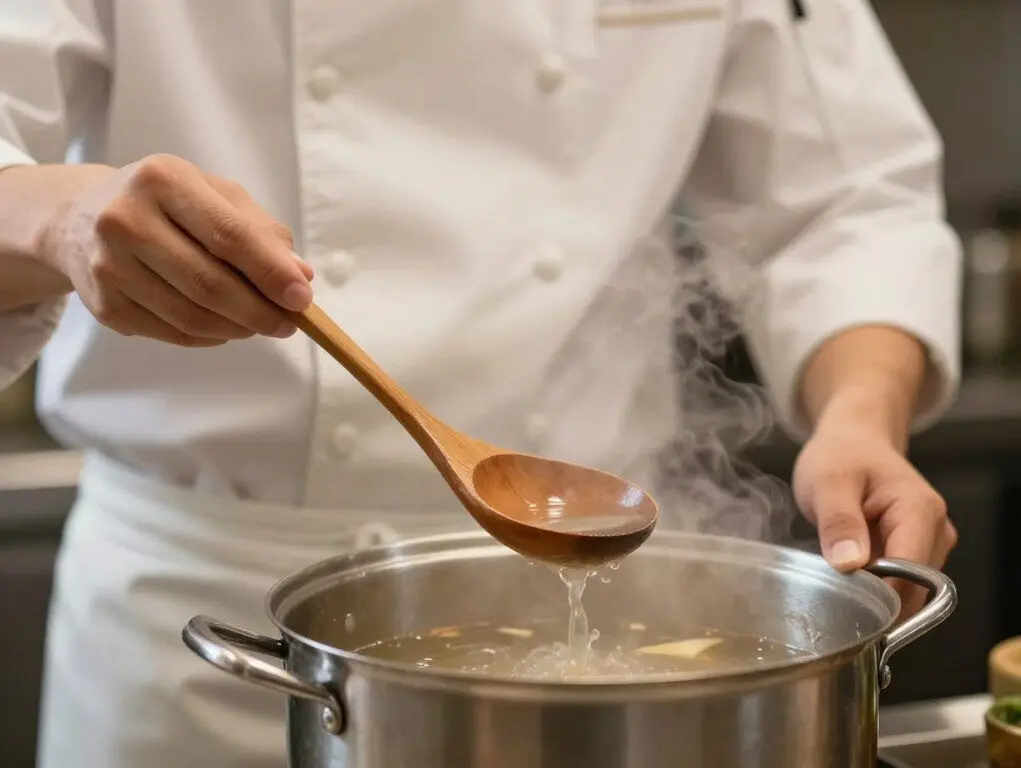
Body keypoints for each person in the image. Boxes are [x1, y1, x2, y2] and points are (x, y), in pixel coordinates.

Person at [0, 0, 959, 766]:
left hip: (623, 673)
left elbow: (848, 202)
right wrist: (61, 215)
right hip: (211, 637)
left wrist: (861, 416)